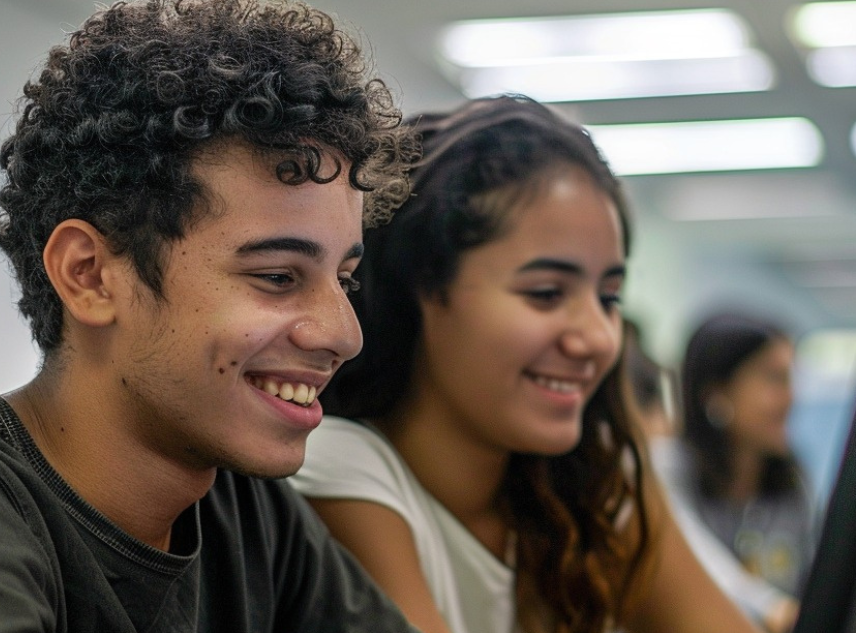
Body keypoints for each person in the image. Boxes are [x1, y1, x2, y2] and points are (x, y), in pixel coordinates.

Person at [0, 1, 422, 631]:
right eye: (277, 277)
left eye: (344, 280)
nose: (344, 335)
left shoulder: (242, 504)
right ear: (90, 275)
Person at [290, 95, 759, 633]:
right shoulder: (342, 467)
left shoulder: (592, 479)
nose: (597, 339)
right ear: (425, 288)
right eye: (545, 293)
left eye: (608, 298)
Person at [650, 313, 818, 633]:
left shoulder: (793, 482)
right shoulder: (666, 467)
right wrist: (773, 608)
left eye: (790, 379)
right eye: (773, 379)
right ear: (717, 393)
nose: (790, 398)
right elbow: (692, 566)